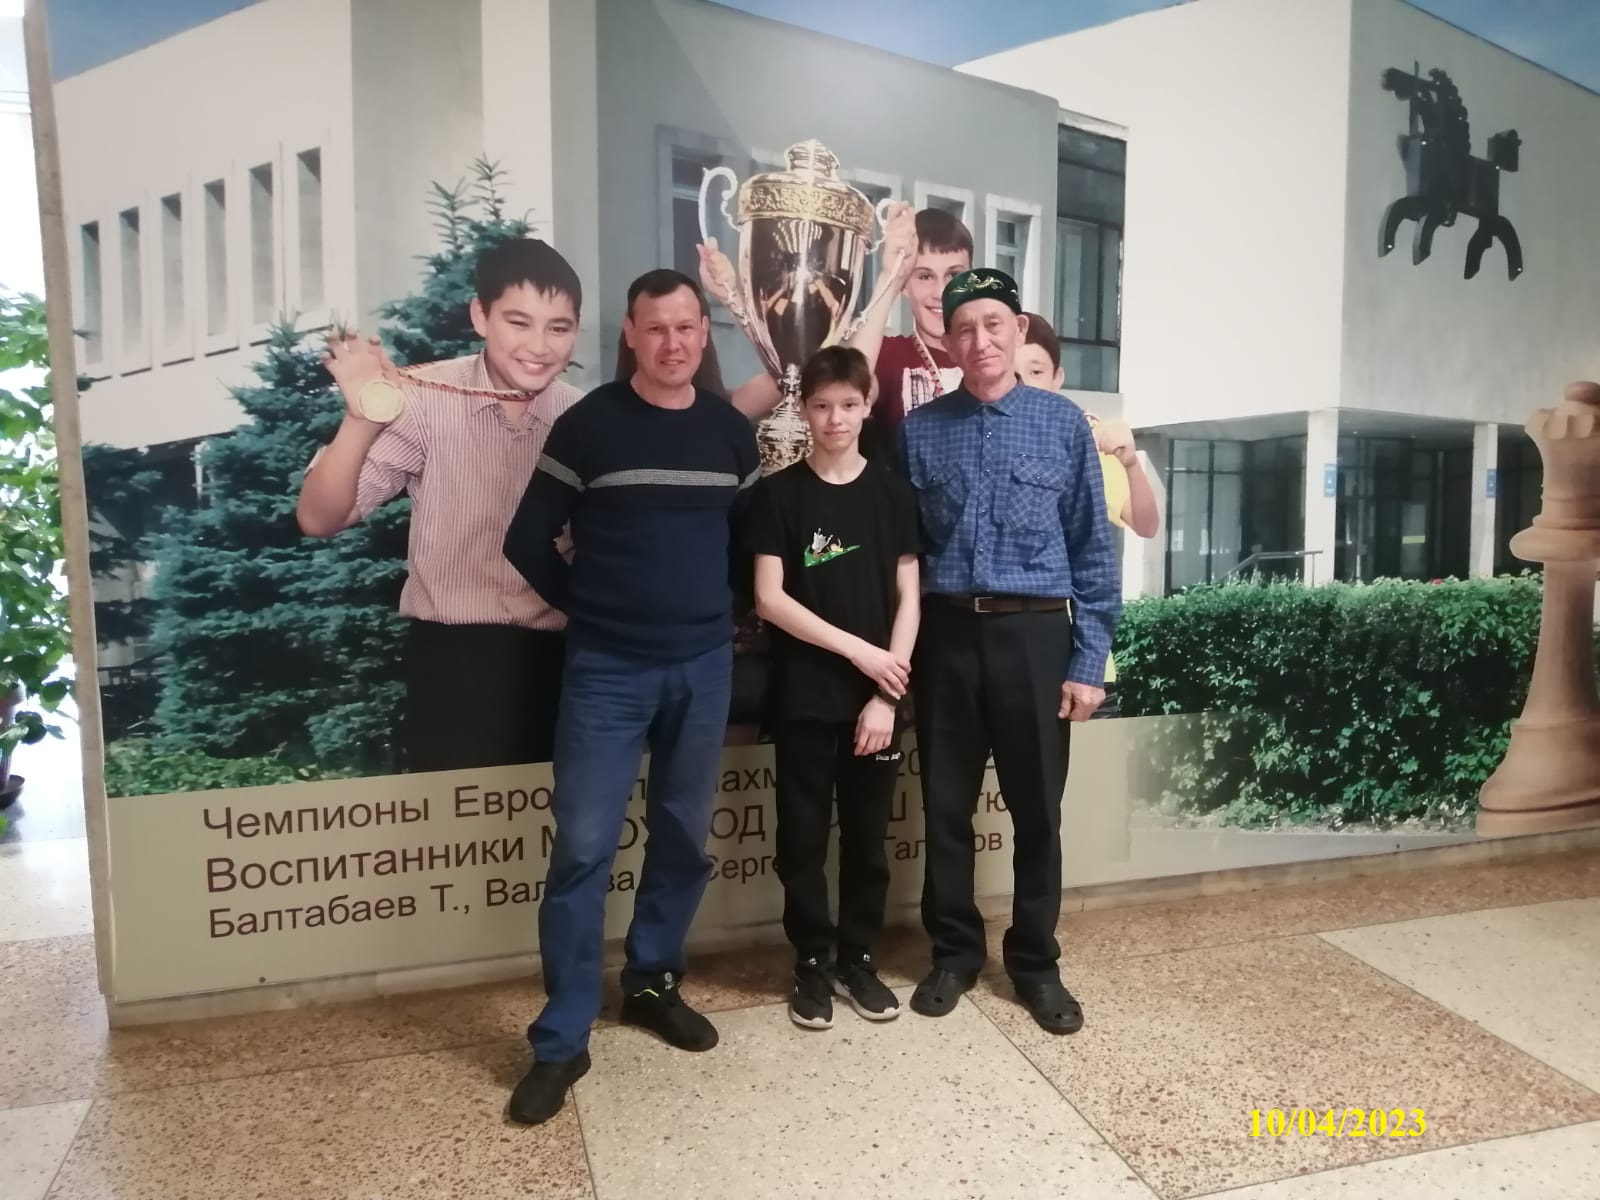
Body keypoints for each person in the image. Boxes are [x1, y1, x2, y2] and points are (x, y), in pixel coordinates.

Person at [501, 268, 760, 1126]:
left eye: (687, 327)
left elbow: (746, 544)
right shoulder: (589, 426)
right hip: (607, 671)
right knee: (582, 849)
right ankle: (561, 1039)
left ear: (702, 332)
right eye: (656, 328)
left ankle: (651, 982)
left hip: (702, 667)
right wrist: (591, 609)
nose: (673, 343)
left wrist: (719, 614)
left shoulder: (729, 432)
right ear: (631, 334)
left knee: (683, 837)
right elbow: (526, 539)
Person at [894, 268, 1121, 1035]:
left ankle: (1034, 963)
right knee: (945, 808)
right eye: (964, 328)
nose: (980, 340)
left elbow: (1093, 551)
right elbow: (901, 556)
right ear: (947, 339)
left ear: (1018, 329)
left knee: (1037, 811)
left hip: (1035, 638)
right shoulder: (919, 432)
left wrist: (1088, 662)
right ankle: (954, 953)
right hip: (947, 638)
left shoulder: (1063, 426)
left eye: (993, 324)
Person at [296, 238, 583, 772]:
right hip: (453, 664)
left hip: (562, 661)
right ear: (480, 316)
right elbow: (318, 518)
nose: (539, 346)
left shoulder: (584, 418)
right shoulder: (424, 398)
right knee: (458, 821)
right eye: (519, 323)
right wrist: (361, 416)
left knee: (557, 821)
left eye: (558, 328)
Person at [742, 345, 921, 1031]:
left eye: (848, 404)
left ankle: (859, 961)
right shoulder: (777, 496)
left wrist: (886, 694)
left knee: (869, 842)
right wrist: (860, 653)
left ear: (868, 404)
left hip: (878, 706)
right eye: (822, 406)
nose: (835, 418)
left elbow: (910, 600)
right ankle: (812, 963)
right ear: (804, 409)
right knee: (802, 841)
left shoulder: (893, 494)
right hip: (804, 699)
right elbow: (769, 599)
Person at [697, 204, 966, 458]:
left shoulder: (987, 357)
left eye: (954, 275)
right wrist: (890, 277)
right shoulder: (887, 355)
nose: (941, 292)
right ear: (905, 285)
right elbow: (828, 386)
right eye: (924, 276)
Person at [1016, 312, 1161, 720]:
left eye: (1036, 371)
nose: (1025, 383)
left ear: (1057, 378)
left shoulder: (1085, 443)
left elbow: (1147, 525)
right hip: (1016, 656)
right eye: (1015, 373)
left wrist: (1130, 463)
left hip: (1084, 665)